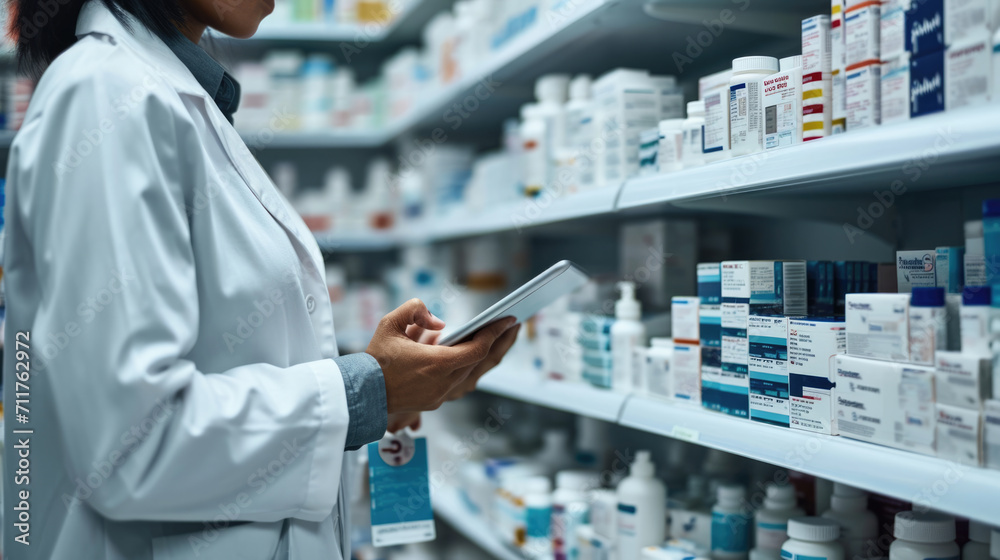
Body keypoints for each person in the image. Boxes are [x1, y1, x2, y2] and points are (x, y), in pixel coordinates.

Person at [2, 0, 520, 558]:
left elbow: (223, 366)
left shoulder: (169, 96)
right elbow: (131, 447)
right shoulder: (106, 95)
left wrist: (386, 396)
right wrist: (365, 390)